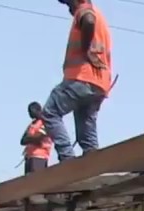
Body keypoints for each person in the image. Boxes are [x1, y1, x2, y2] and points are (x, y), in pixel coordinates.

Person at [43, 0, 113, 161]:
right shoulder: (100, 16)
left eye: (69, 4)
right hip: (99, 83)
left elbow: (88, 20)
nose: (70, 10)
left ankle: (67, 157)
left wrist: (86, 49)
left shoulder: (84, 9)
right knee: (86, 130)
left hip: (82, 77)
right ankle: (92, 161)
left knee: (50, 111)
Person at [21, 101, 53, 175]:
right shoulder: (32, 124)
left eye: (32, 111)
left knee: (36, 180)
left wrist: (29, 138)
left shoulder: (44, 122)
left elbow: (38, 138)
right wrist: (31, 138)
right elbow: (22, 141)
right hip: (29, 157)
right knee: (28, 183)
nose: (30, 113)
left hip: (39, 157)